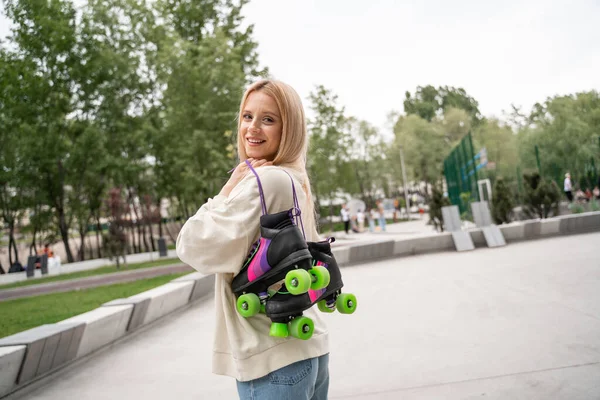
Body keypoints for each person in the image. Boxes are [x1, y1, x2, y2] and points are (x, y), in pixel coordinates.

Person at [176, 80, 329, 399]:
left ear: (289, 129)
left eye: (268, 119)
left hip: (272, 359)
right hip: (306, 348)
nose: (252, 128)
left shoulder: (266, 180)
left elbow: (192, 246)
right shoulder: (293, 177)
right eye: (247, 116)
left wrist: (226, 190)